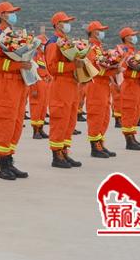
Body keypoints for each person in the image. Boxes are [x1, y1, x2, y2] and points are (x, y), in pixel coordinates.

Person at [0, 1, 32, 181]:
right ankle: (3, 166)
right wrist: (18, 65)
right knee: (6, 122)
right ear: (2, 15)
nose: (14, 15)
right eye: (10, 12)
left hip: (19, 83)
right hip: (6, 84)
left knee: (16, 123)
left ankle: (10, 161)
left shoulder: (13, 34)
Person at [44, 12, 83, 168]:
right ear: (57, 24)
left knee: (70, 120)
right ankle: (56, 155)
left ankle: (65, 151)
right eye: (65, 22)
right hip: (61, 85)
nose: (68, 24)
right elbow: (52, 67)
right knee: (60, 120)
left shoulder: (66, 42)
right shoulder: (53, 43)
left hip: (72, 84)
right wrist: (73, 65)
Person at [84, 21, 116, 157]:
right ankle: (95, 146)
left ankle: (100, 142)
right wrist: (111, 71)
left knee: (104, 115)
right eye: (100, 30)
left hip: (104, 85)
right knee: (96, 114)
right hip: (96, 85)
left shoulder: (99, 48)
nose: (102, 32)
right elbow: (94, 69)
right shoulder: (90, 48)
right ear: (93, 32)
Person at [118, 27, 140, 150]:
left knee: (136, 111)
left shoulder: (132, 52)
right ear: (126, 37)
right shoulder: (123, 51)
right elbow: (125, 73)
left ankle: (133, 137)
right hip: (130, 86)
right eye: (132, 35)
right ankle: (129, 140)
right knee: (129, 111)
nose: (134, 37)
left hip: (137, 85)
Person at [28, 39, 51, 140]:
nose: (43, 46)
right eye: (42, 44)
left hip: (44, 83)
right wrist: (33, 87)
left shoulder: (43, 56)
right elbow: (31, 72)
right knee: (36, 107)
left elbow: (45, 69)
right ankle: (35, 131)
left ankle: (41, 128)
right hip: (37, 83)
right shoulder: (33, 55)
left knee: (43, 107)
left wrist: (49, 77)